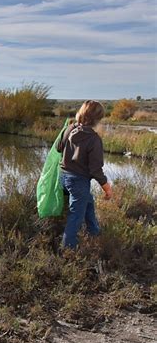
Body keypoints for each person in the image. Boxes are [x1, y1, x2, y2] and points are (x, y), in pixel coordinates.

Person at [56, 100, 112, 249]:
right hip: (78, 181)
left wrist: (66, 132)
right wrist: (107, 188)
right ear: (97, 118)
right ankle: (67, 251)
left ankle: (94, 232)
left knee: (87, 201)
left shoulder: (69, 129)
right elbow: (95, 170)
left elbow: (57, 148)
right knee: (75, 216)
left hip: (63, 176)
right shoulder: (94, 139)